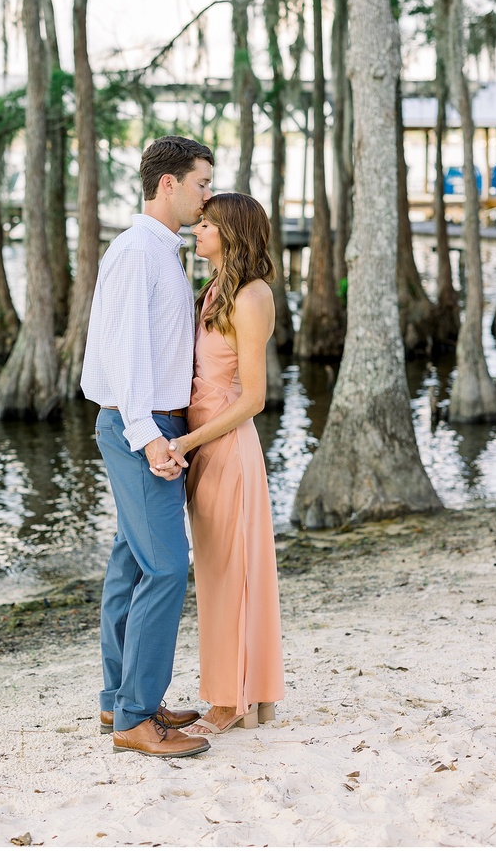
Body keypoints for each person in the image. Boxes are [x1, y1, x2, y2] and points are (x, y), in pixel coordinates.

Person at [80, 135, 214, 759]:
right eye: (201, 184)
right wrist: (150, 435)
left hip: (149, 420)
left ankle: (119, 697)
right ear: (168, 184)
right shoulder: (139, 252)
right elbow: (125, 352)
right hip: (141, 425)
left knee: (131, 562)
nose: (207, 196)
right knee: (166, 565)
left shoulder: (162, 250)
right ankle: (135, 718)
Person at [162, 193, 285, 736]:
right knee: (215, 574)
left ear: (231, 232)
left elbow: (252, 397)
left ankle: (229, 700)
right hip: (204, 448)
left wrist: (188, 442)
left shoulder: (253, 297)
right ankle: (242, 690)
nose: (198, 229)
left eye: (207, 224)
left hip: (227, 449)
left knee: (230, 574)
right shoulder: (214, 290)